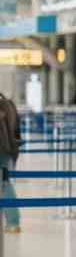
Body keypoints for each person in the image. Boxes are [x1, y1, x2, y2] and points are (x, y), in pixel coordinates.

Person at [0, 90, 21, 234]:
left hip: (2, 150)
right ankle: (13, 221)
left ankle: (13, 221)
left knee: (4, 185)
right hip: (8, 150)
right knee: (5, 183)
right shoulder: (8, 103)